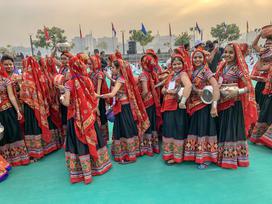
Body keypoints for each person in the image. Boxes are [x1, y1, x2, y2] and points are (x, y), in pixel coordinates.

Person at [60, 56, 112, 184]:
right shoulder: (87, 80)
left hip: (75, 118)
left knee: (79, 142)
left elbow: (67, 102)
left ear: (72, 68)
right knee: (93, 138)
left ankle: (83, 171)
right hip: (88, 117)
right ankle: (99, 166)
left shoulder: (69, 84)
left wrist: (62, 98)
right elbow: (93, 97)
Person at [99, 59, 150, 164]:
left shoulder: (120, 80)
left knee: (124, 129)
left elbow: (112, 94)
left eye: (112, 67)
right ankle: (133, 152)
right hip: (126, 107)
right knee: (128, 128)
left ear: (118, 69)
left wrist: (97, 96)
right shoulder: (125, 78)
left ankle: (128, 155)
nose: (111, 69)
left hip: (122, 108)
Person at [215, 43, 257, 169]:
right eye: (226, 52)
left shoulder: (237, 69)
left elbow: (249, 87)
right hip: (222, 104)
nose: (227, 55)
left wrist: (237, 91)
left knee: (230, 130)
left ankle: (230, 160)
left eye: (230, 53)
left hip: (233, 106)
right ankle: (222, 156)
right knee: (223, 128)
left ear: (236, 54)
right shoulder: (222, 67)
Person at [184, 50, 219, 169]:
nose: (197, 59)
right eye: (195, 57)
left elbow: (215, 86)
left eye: (200, 57)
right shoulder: (191, 71)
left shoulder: (206, 71)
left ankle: (206, 158)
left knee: (204, 130)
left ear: (204, 59)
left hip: (204, 105)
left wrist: (214, 106)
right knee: (196, 129)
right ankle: (196, 155)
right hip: (193, 105)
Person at [20, 57, 60, 159]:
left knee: (34, 126)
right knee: (41, 124)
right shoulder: (40, 76)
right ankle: (49, 146)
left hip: (31, 107)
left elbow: (24, 96)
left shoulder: (26, 77)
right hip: (41, 106)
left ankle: (37, 151)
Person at [161, 54, 192, 165]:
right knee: (170, 129)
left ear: (183, 64)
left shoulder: (183, 74)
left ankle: (177, 156)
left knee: (177, 130)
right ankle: (170, 153)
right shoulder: (172, 74)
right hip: (169, 106)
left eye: (179, 64)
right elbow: (164, 88)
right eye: (174, 64)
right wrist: (165, 90)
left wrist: (183, 101)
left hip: (177, 107)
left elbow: (188, 86)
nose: (176, 66)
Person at [0, 59, 30, 166]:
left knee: (13, 132)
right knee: (2, 137)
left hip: (8, 110)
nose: (7, 66)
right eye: (5, 64)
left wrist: (17, 110)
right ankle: (5, 162)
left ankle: (19, 158)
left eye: (10, 64)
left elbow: (11, 96)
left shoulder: (5, 80)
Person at [250, 34, 272, 147]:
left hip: (268, 88)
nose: (268, 45)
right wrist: (260, 34)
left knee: (266, 112)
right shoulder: (264, 55)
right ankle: (261, 136)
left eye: (270, 43)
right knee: (262, 110)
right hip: (262, 87)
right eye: (267, 43)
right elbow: (258, 69)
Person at [138, 54, 162, 155]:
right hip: (153, 101)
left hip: (146, 103)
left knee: (146, 124)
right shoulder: (152, 74)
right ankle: (154, 146)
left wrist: (139, 99)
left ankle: (147, 148)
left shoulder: (144, 74)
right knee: (152, 123)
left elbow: (145, 91)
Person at [88, 56, 109, 143]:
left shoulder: (99, 74)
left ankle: (103, 138)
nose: (88, 66)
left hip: (99, 99)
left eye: (90, 64)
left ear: (95, 63)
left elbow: (98, 91)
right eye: (88, 64)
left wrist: (96, 104)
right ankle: (97, 137)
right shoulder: (90, 74)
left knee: (101, 117)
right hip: (92, 99)